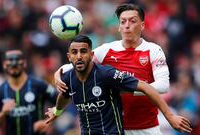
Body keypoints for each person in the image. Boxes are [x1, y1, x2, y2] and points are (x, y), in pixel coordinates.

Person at [55, 3, 170, 135]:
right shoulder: (106, 50)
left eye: (132, 21)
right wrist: (58, 73)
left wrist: (129, 89)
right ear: (119, 27)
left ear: (142, 25)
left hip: (147, 127)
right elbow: (78, 62)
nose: (127, 25)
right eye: (123, 22)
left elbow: (163, 86)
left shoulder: (153, 50)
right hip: (115, 128)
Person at [45, 35, 192, 135]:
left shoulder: (106, 74)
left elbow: (146, 87)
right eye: (74, 52)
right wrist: (57, 112)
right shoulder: (68, 78)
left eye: (83, 51)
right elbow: (64, 95)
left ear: (91, 54)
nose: (79, 56)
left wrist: (170, 116)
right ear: (68, 56)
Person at [0, 49, 57, 135]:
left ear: (24, 63)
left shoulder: (39, 84)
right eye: (11, 65)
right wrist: (3, 113)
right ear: (4, 65)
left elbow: (61, 101)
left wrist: (48, 122)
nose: (14, 68)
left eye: (17, 65)